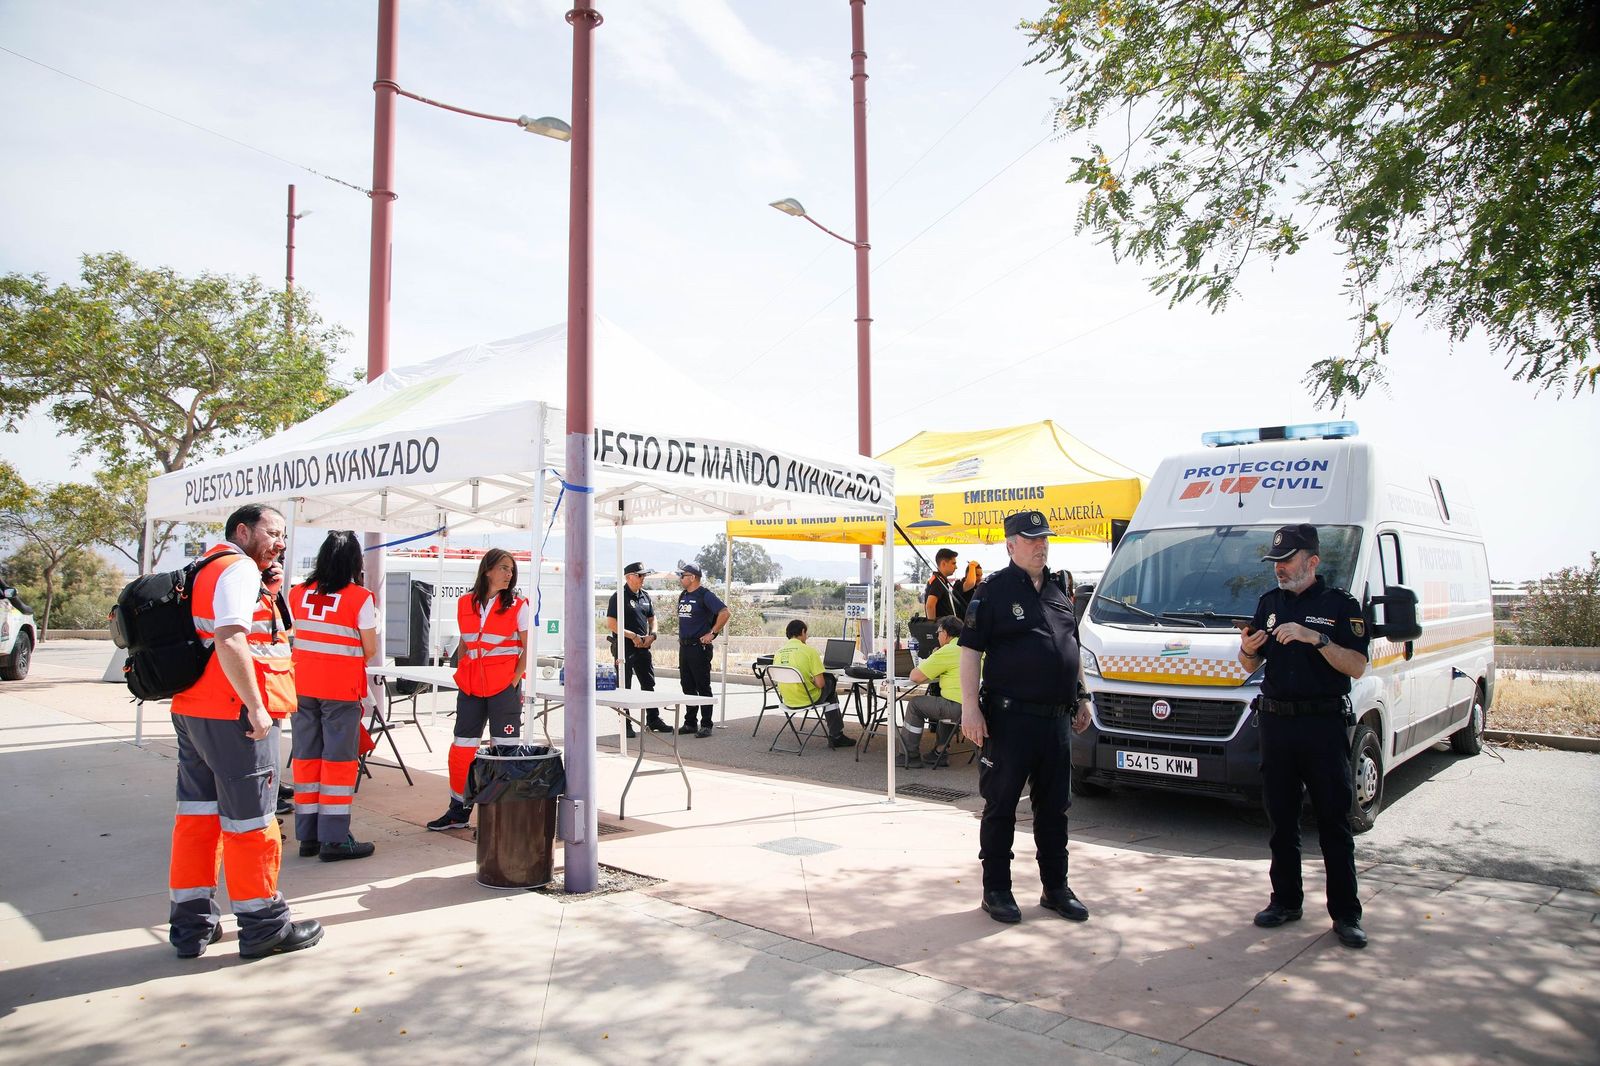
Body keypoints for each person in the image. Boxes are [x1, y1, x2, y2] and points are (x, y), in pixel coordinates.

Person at [167, 504, 322, 959]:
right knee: (251, 820)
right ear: (242, 530)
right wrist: (256, 707)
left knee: (197, 818)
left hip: (194, 709)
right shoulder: (237, 569)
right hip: (233, 714)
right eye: (272, 533)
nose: (279, 543)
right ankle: (263, 925)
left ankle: (191, 926)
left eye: (283, 536)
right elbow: (231, 637)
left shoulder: (203, 567)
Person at [1239, 523, 1371, 949]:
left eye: (1287, 560)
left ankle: (1346, 914)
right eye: (1275, 561)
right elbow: (1249, 664)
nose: (1279, 568)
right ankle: (1285, 901)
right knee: (1281, 820)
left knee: (1333, 821)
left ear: (1312, 561)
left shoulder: (1340, 605)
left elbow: (1356, 666)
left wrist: (1316, 638)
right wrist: (1247, 648)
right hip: (1277, 725)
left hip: (1322, 726)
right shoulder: (1269, 603)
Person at [958, 509, 1092, 925]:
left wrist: (1082, 695)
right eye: (1032, 540)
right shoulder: (992, 591)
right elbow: (970, 652)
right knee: (1001, 806)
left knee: (1054, 809)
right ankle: (997, 890)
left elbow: (1072, 646)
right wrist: (969, 708)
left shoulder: (1059, 589)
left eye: (1044, 539)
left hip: (1056, 721)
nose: (1041, 546)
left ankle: (1056, 888)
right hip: (1009, 721)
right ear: (1010, 545)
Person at [287, 531, 379, 862]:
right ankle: (335, 839)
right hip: (340, 690)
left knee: (306, 759)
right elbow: (369, 648)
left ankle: (308, 836)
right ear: (355, 561)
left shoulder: (297, 593)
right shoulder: (360, 597)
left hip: (301, 687)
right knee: (338, 763)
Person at [427, 548, 529, 831]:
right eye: (504, 568)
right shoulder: (465, 603)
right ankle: (458, 811)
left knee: (504, 752)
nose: (509, 574)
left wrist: (513, 681)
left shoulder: (519, 605)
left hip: (503, 689)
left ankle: (501, 816)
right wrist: (462, 670)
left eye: (511, 569)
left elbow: (529, 649)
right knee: (461, 749)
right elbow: (465, 642)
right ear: (487, 570)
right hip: (471, 688)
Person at [606, 561, 670, 738]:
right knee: (624, 685)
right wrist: (632, 636)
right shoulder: (618, 597)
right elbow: (611, 623)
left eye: (644, 575)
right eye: (640, 575)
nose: (643, 578)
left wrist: (652, 635)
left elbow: (652, 619)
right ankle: (625, 723)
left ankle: (653, 719)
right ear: (629, 577)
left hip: (643, 647)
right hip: (624, 647)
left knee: (648, 683)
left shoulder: (645, 596)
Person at [770, 619, 855, 749]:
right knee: (830, 682)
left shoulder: (778, 653)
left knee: (827, 687)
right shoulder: (809, 651)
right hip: (807, 699)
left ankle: (837, 735)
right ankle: (836, 736)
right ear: (803, 631)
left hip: (787, 700)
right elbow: (820, 684)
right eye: (806, 633)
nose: (807, 636)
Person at [900, 614, 965, 767]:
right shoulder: (971, 648)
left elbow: (915, 676)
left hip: (957, 708)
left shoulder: (949, 650)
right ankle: (939, 752)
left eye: (938, 633)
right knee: (943, 702)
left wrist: (934, 656)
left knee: (915, 704)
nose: (937, 636)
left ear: (946, 633)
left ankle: (909, 755)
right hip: (976, 707)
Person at [674, 562, 729, 739]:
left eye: (683, 575)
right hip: (685, 647)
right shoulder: (683, 595)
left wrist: (712, 633)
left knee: (702, 686)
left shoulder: (705, 595)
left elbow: (725, 612)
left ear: (692, 577)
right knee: (687, 685)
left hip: (699, 648)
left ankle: (706, 724)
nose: (680, 578)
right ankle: (690, 722)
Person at [924, 549, 980, 621]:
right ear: (943, 564)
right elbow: (930, 606)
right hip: (942, 626)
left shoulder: (938, 580)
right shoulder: (938, 582)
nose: (956, 567)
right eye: (953, 563)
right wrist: (933, 625)